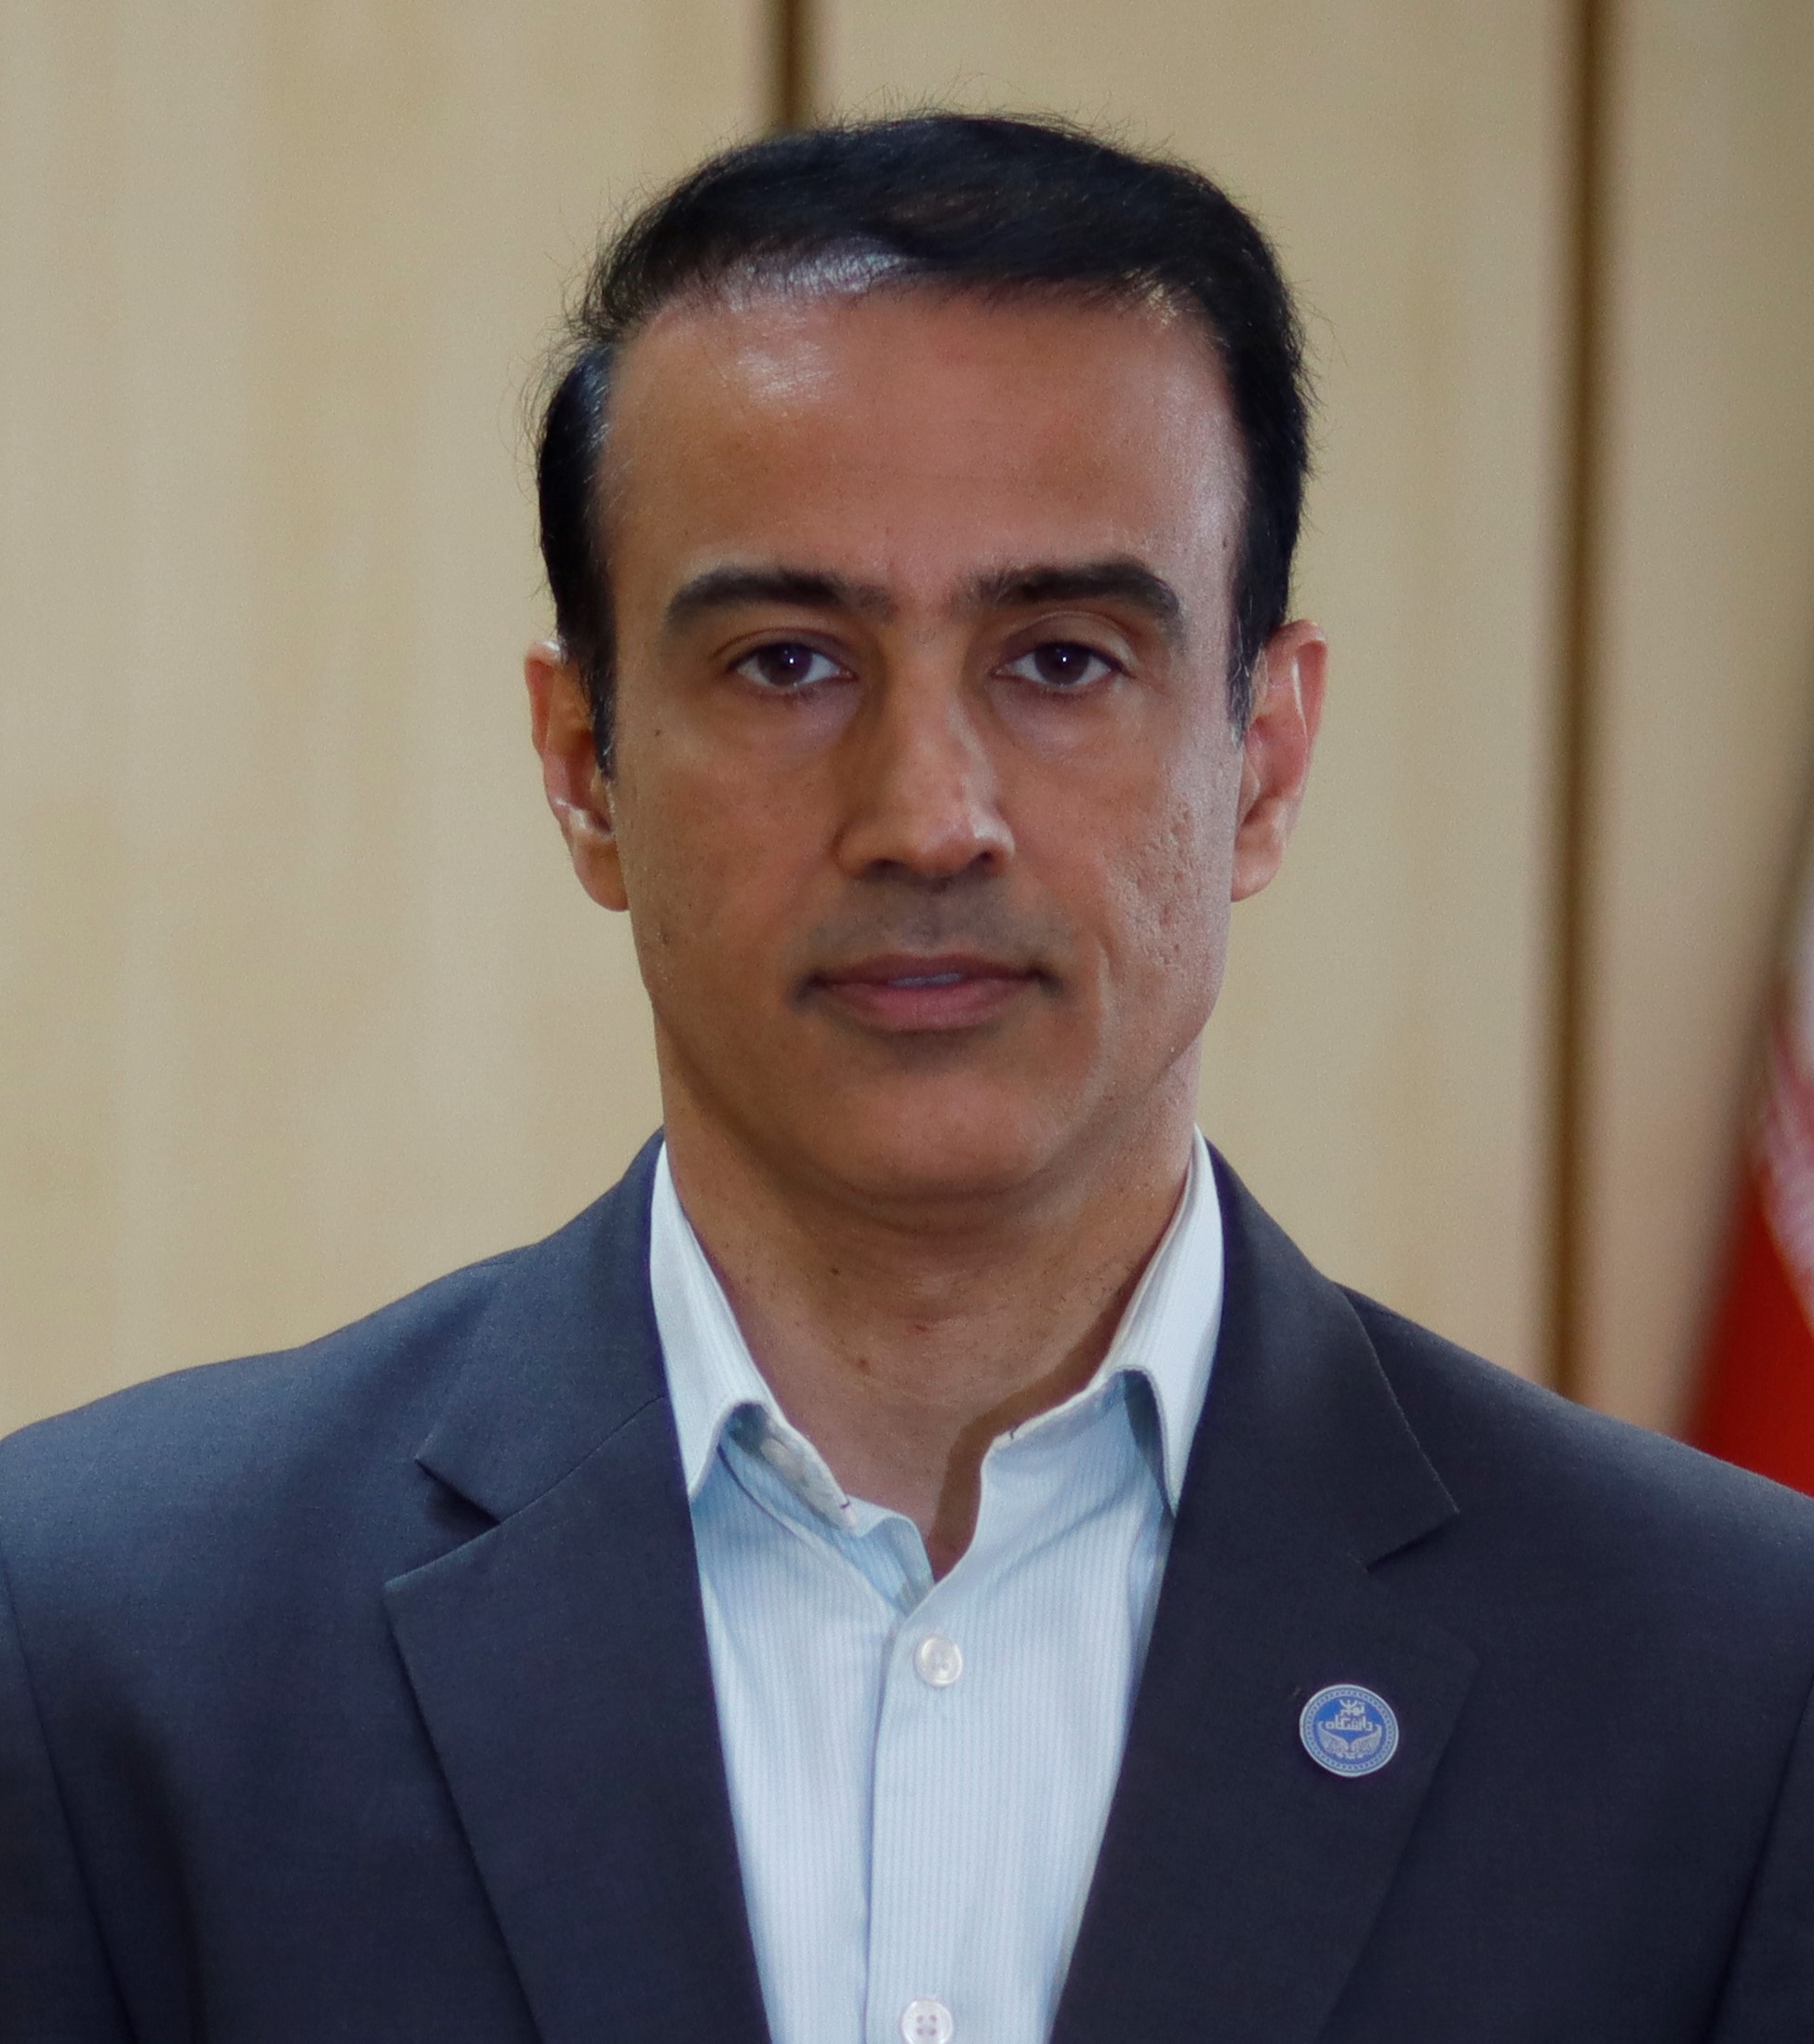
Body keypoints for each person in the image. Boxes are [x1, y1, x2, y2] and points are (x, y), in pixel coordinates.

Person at [2, 112, 1811, 2044]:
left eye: (1063, 660)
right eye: (788, 662)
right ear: (584, 762)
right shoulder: (101, 1636)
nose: (930, 816)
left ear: (1265, 759)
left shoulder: (1729, 1678)